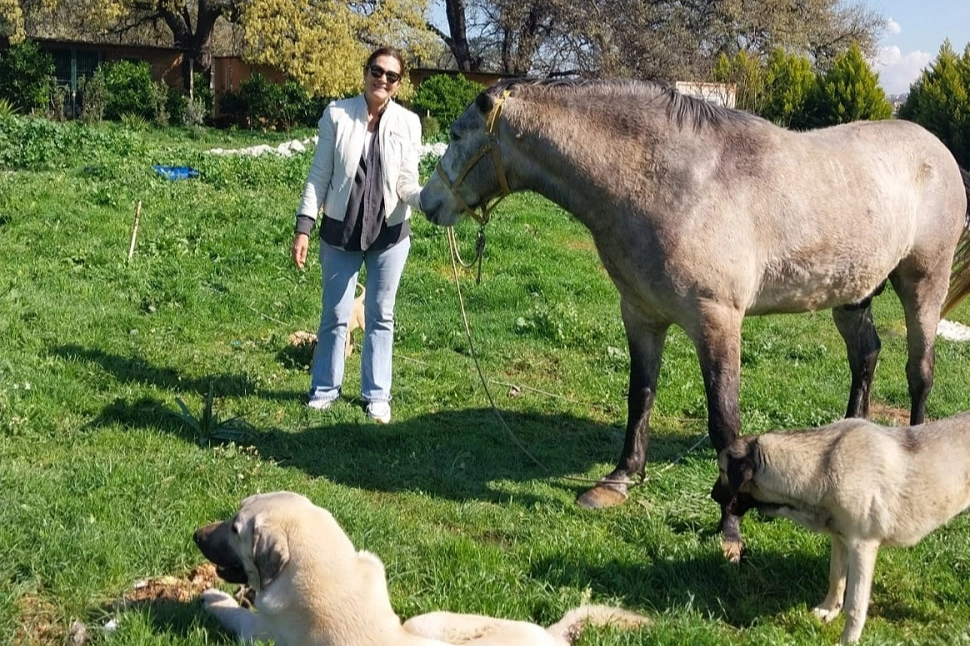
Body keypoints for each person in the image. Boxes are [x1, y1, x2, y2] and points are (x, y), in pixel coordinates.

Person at [291, 46, 422, 424]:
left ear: (398, 84)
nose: (382, 79)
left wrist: (428, 198)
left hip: (389, 236)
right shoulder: (337, 115)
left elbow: (406, 181)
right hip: (339, 232)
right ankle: (324, 389)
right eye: (376, 71)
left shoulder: (408, 124)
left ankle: (376, 395)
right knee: (334, 314)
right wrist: (304, 226)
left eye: (391, 76)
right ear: (365, 73)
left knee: (381, 315)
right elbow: (319, 175)